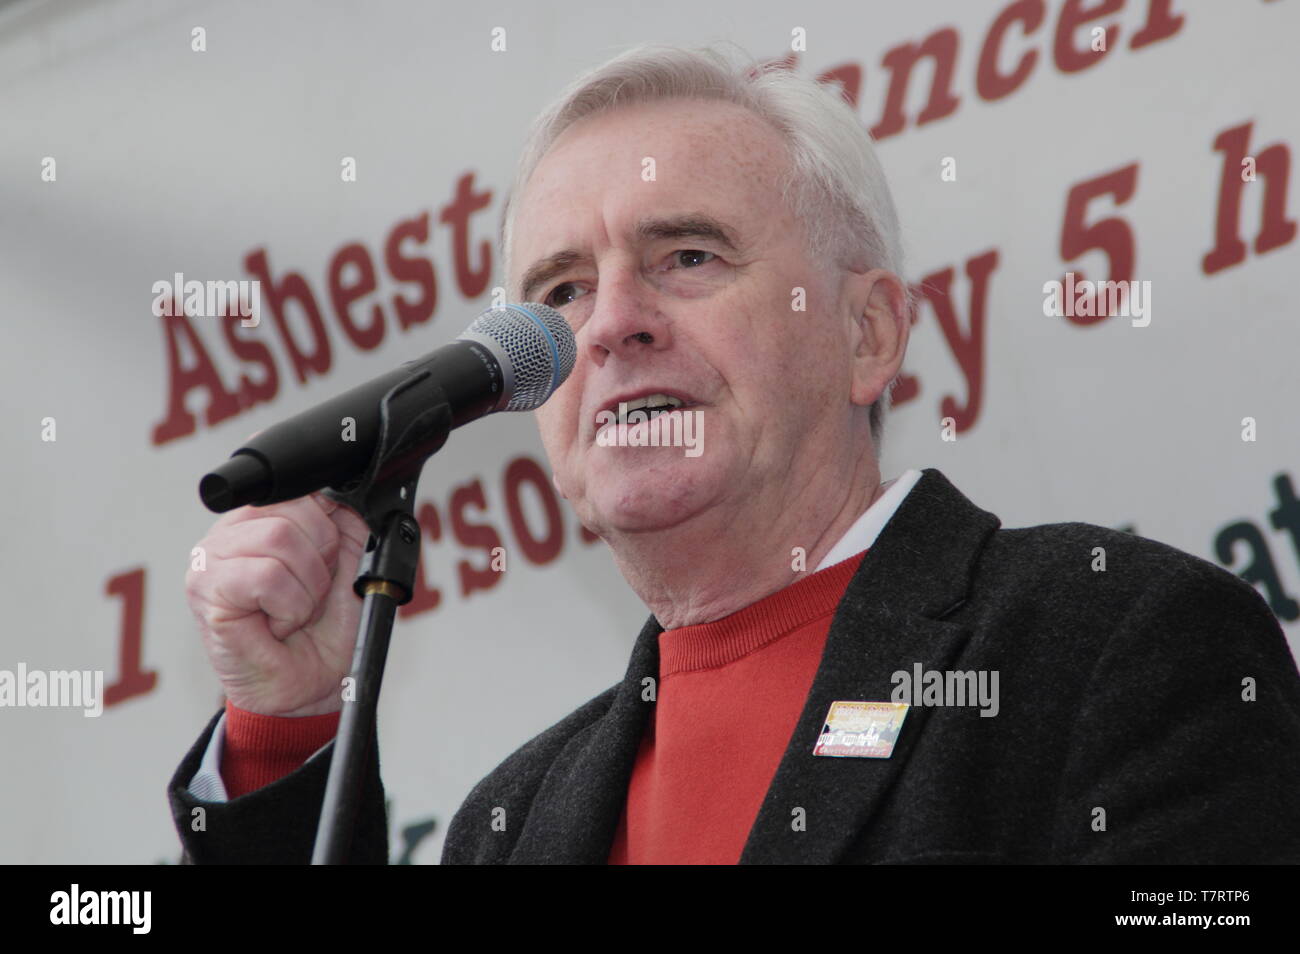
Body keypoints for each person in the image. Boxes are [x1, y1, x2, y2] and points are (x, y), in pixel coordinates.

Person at [168, 43, 1300, 864]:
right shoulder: (510, 822)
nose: (608, 324)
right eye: (560, 289)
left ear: (868, 333)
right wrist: (283, 737)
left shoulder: (1115, 643)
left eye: (689, 257)